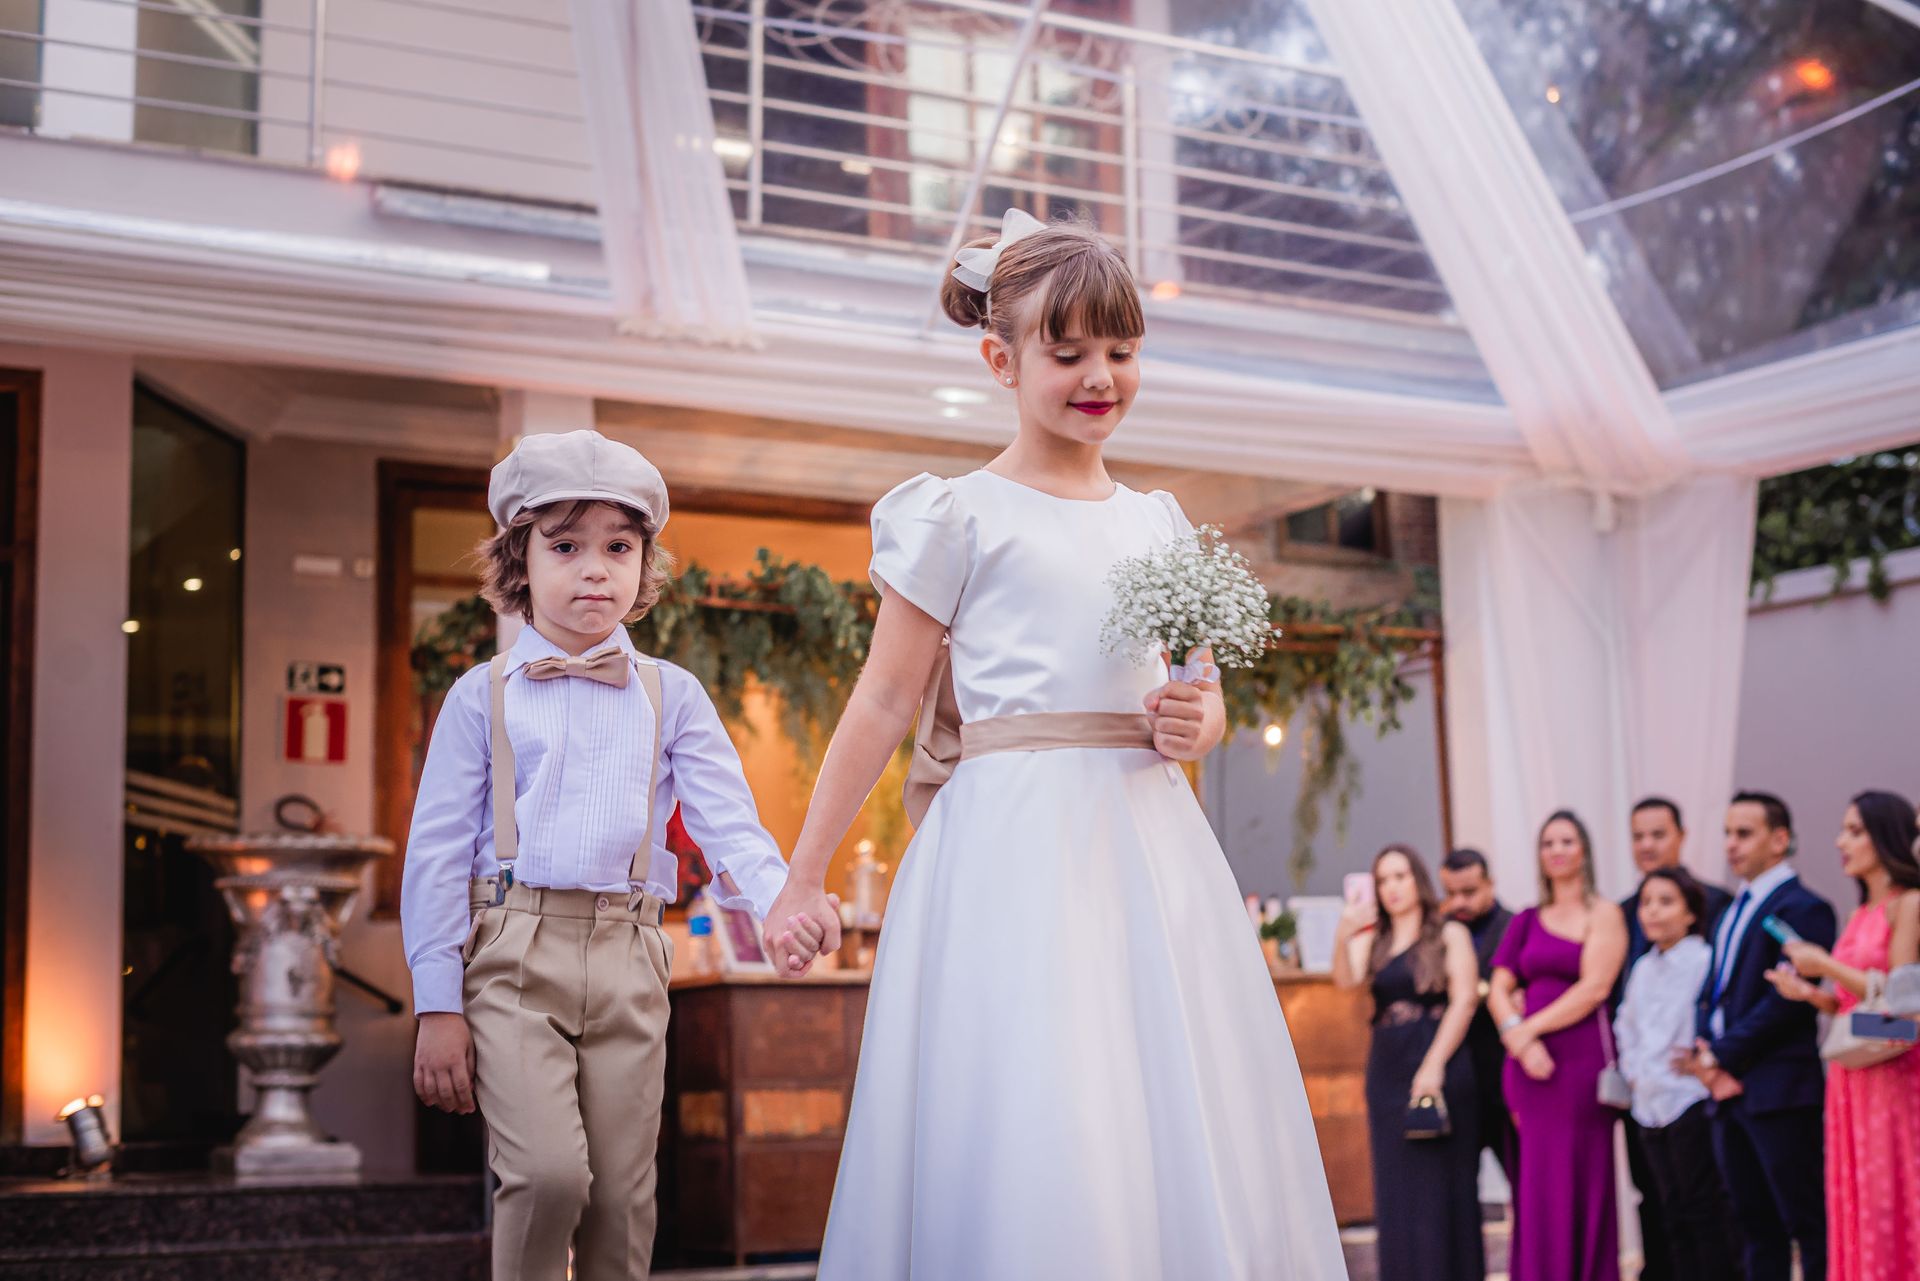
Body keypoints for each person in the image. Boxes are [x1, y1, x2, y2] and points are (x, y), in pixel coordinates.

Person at [764, 209, 1346, 1279]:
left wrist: (1199, 717)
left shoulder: (1160, 522)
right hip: (1009, 843)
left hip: (1145, 841)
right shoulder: (956, 515)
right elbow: (885, 702)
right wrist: (805, 878)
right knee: (1040, 1091)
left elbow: (1200, 694)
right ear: (1001, 358)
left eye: (1121, 351)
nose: (1100, 376)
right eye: (1067, 351)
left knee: (1157, 1091)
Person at [399, 430, 818, 1281]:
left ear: (642, 564)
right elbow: (436, 854)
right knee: (549, 1176)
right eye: (566, 546)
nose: (595, 568)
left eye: (618, 547)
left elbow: (730, 822)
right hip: (513, 954)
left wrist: (781, 903)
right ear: (519, 562)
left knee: (625, 1201)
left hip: (632, 955)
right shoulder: (480, 696)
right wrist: (436, 1000)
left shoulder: (674, 693)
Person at [1766, 791, 1920, 1281]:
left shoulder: (1908, 905)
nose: (1841, 842)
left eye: (1854, 831)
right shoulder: (1859, 913)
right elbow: (1855, 1007)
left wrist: (1825, 965)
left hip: (1893, 1072)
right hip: (1851, 1072)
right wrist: (1812, 994)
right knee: (1855, 1195)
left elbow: (1902, 1008)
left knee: (1889, 1194)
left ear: (1886, 836)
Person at [1685, 791, 1837, 1281]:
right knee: (1754, 1225)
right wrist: (1707, 1048)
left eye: (1743, 833)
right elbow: (1716, 990)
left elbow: (1785, 1004)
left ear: (1780, 839)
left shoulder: (1805, 907)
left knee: (1807, 1222)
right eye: (1727, 833)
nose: (1731, 845)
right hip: (1728, 1094)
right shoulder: (1731, 908)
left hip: (1778, 1089)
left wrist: (1721, 1057)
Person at [1486, 810, 1627, 1281]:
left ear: (1583, 849)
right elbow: (1498, 986)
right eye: (1548, 843)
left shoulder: (1603, 913)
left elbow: (1595, 988)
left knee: (1581, 1176)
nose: (1557, 850)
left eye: (1566, 841)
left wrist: (1530, 1029)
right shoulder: (1526, 919)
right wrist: (1518, 1038)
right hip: (1529, 1069)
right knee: (1536, 1182)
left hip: (1580, 1064)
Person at [1335, 845, 1485, 1281]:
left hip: (1440, 1062)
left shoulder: (1448, 934)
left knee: (1443, 1189)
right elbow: (1345, 979)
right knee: (1397, 1192)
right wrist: (1343, 933)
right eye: (1383, 880)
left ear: (1417, 879)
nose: (1392, 887)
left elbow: (1463, 1002)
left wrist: (1434, 1065)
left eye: (1400, 876)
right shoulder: (1377, 939)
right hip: (1387, 1070)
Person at [1610, 796, 1731, 1281]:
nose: (1647, 845)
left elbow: (1712, 1009)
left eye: (1657, 834)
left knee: (1706, 1207)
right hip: (1648, 1096)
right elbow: (1627, 1019)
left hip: (1690, 1095)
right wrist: (1636, 1070)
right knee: (1665, 1206)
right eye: (1638, 836)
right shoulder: (1639, 956)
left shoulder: (1706, 945)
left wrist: (1705, 1057)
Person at [1438, 846, 1515, 1179]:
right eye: (1450, 893)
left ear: (1490, 885)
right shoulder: (1436, 933)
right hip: (1455, 1081)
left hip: (1502, 1081)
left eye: (1468, 892)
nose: (1458, 903)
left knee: (1520, 1175)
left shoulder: (1515, 927)